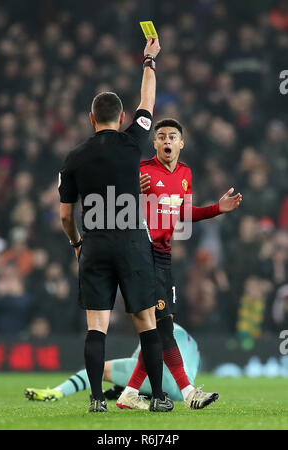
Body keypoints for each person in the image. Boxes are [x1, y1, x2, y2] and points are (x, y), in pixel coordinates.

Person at [58, 37, 173, 413]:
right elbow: (148, 101)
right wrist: (149, 60)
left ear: (92, 119)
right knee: (146, 321)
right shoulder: (131, 142)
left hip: (95, 245)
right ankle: (157, 398)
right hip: (132, 243)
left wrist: (77, 243)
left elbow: (64, 216)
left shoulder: (74, 158)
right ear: (121, 118)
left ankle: (95, 401)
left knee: (97, 326)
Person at [116, 118, 242, 410]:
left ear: (181, 143)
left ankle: (129, 393)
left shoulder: (185, 173)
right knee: (163, 328)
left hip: (163, 255)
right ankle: (188, 393)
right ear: (155, 143)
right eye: (161, 137)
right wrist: (132, 191)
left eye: (173, 136)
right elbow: (118, 207)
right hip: (141, 253)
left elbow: (183, 212)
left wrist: (216, 209)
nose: (167, 141)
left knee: (159, 329)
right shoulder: (142, 171)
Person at [25, 323, 200, 406]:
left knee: (99, 370)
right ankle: (135, 394)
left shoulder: (152, 323)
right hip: (183, 391)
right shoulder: (186, 337)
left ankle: (57, 392)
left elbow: (142, 359)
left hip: (165, 378)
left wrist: (122, 383)